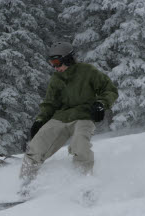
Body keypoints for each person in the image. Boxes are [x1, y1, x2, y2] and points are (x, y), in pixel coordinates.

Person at [19, 41, 118, 193]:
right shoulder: (56, 79)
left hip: (84, 116)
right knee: (36, 145)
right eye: (52, 63)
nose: (55, 67)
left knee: (80, 144)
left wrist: (100, 104)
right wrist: (40, 120)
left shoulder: (87, 71)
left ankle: (84, 184)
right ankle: (25, 184)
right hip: (61, 118)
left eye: (57, 62)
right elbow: (50, 103)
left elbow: (109, 89)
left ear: (68, 59)